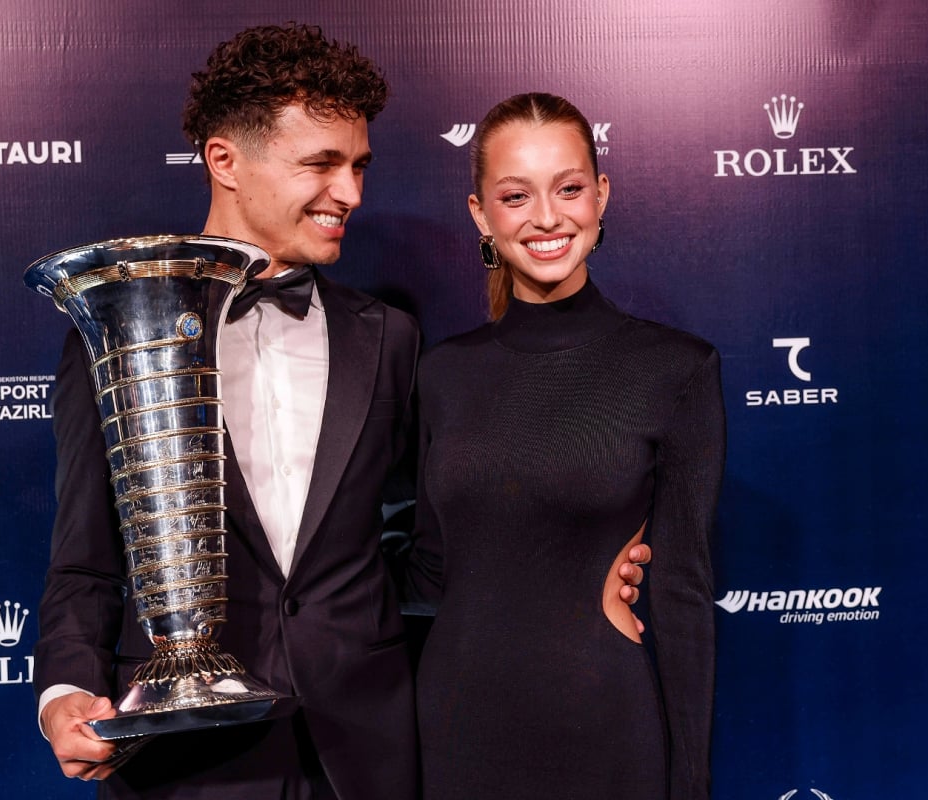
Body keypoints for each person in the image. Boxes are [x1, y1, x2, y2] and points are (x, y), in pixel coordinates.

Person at [33, 25, 650, 799]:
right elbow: (85, 561)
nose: (352, 194)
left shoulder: (388, 337)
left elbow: (428, 544)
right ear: (225, 160)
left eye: (358, 166)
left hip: (368, 753)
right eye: (321, 164)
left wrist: (585, 567)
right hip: (188, 765)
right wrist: (64, 694)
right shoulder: (120, 332)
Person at [409, 93, 725, 800]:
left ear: (602, 195)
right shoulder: (440, 373)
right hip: (457, 729)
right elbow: (428, 573)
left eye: (570, 188)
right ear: (480, 214)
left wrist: (692, 780)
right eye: (515, 195)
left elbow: (681, 594)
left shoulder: (675, 369)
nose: (547, 218)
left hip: (607, 725)